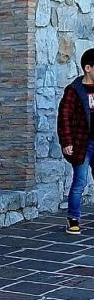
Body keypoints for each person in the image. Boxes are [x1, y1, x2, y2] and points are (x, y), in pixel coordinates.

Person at [57, 47, 94, 234]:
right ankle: (73, 219)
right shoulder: (74, 90)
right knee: (80, 182)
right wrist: (66, 142)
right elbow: (64, 117)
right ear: (88, 68)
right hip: (82, 143)